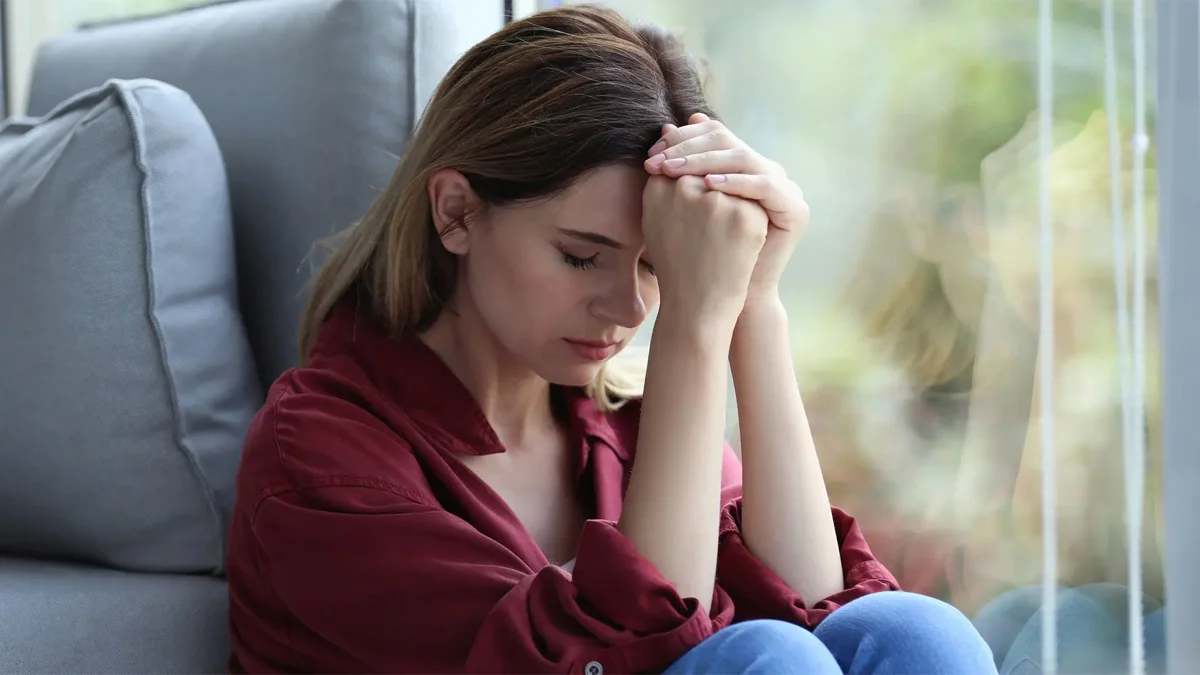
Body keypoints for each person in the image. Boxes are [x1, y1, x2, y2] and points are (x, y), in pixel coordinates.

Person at [224, 6, 995, 674]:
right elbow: (651, 649)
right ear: (457, 212)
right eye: (582, 255)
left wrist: (754, 302)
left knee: (910, 629)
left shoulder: (623, 421)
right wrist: (694, 325)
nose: (629, 308)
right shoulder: (318, 458)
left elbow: (813, 602)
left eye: (658, 265)